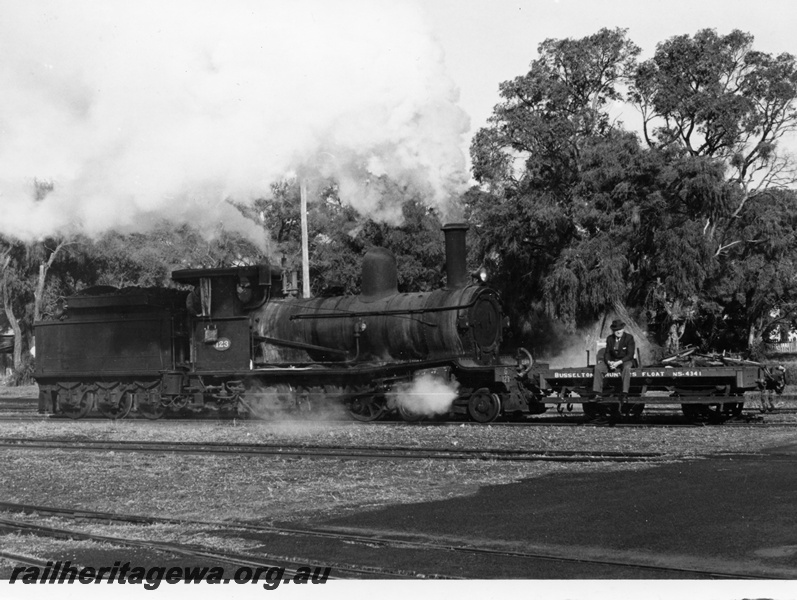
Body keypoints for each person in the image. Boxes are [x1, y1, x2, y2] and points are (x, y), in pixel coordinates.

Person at [592, 319, 636, 397]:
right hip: (613, 360)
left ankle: (625, 391)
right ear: (613, 330)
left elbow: (630, 355)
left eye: (620, 329)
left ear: (623, 329)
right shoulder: (610, 338)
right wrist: (609, 362)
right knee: (597, 368)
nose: (618, 332)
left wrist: (618, 363)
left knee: (626, 368)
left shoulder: (629, 338)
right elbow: (607, 353)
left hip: (625, 360)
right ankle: (597, 392)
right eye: (616, 330)